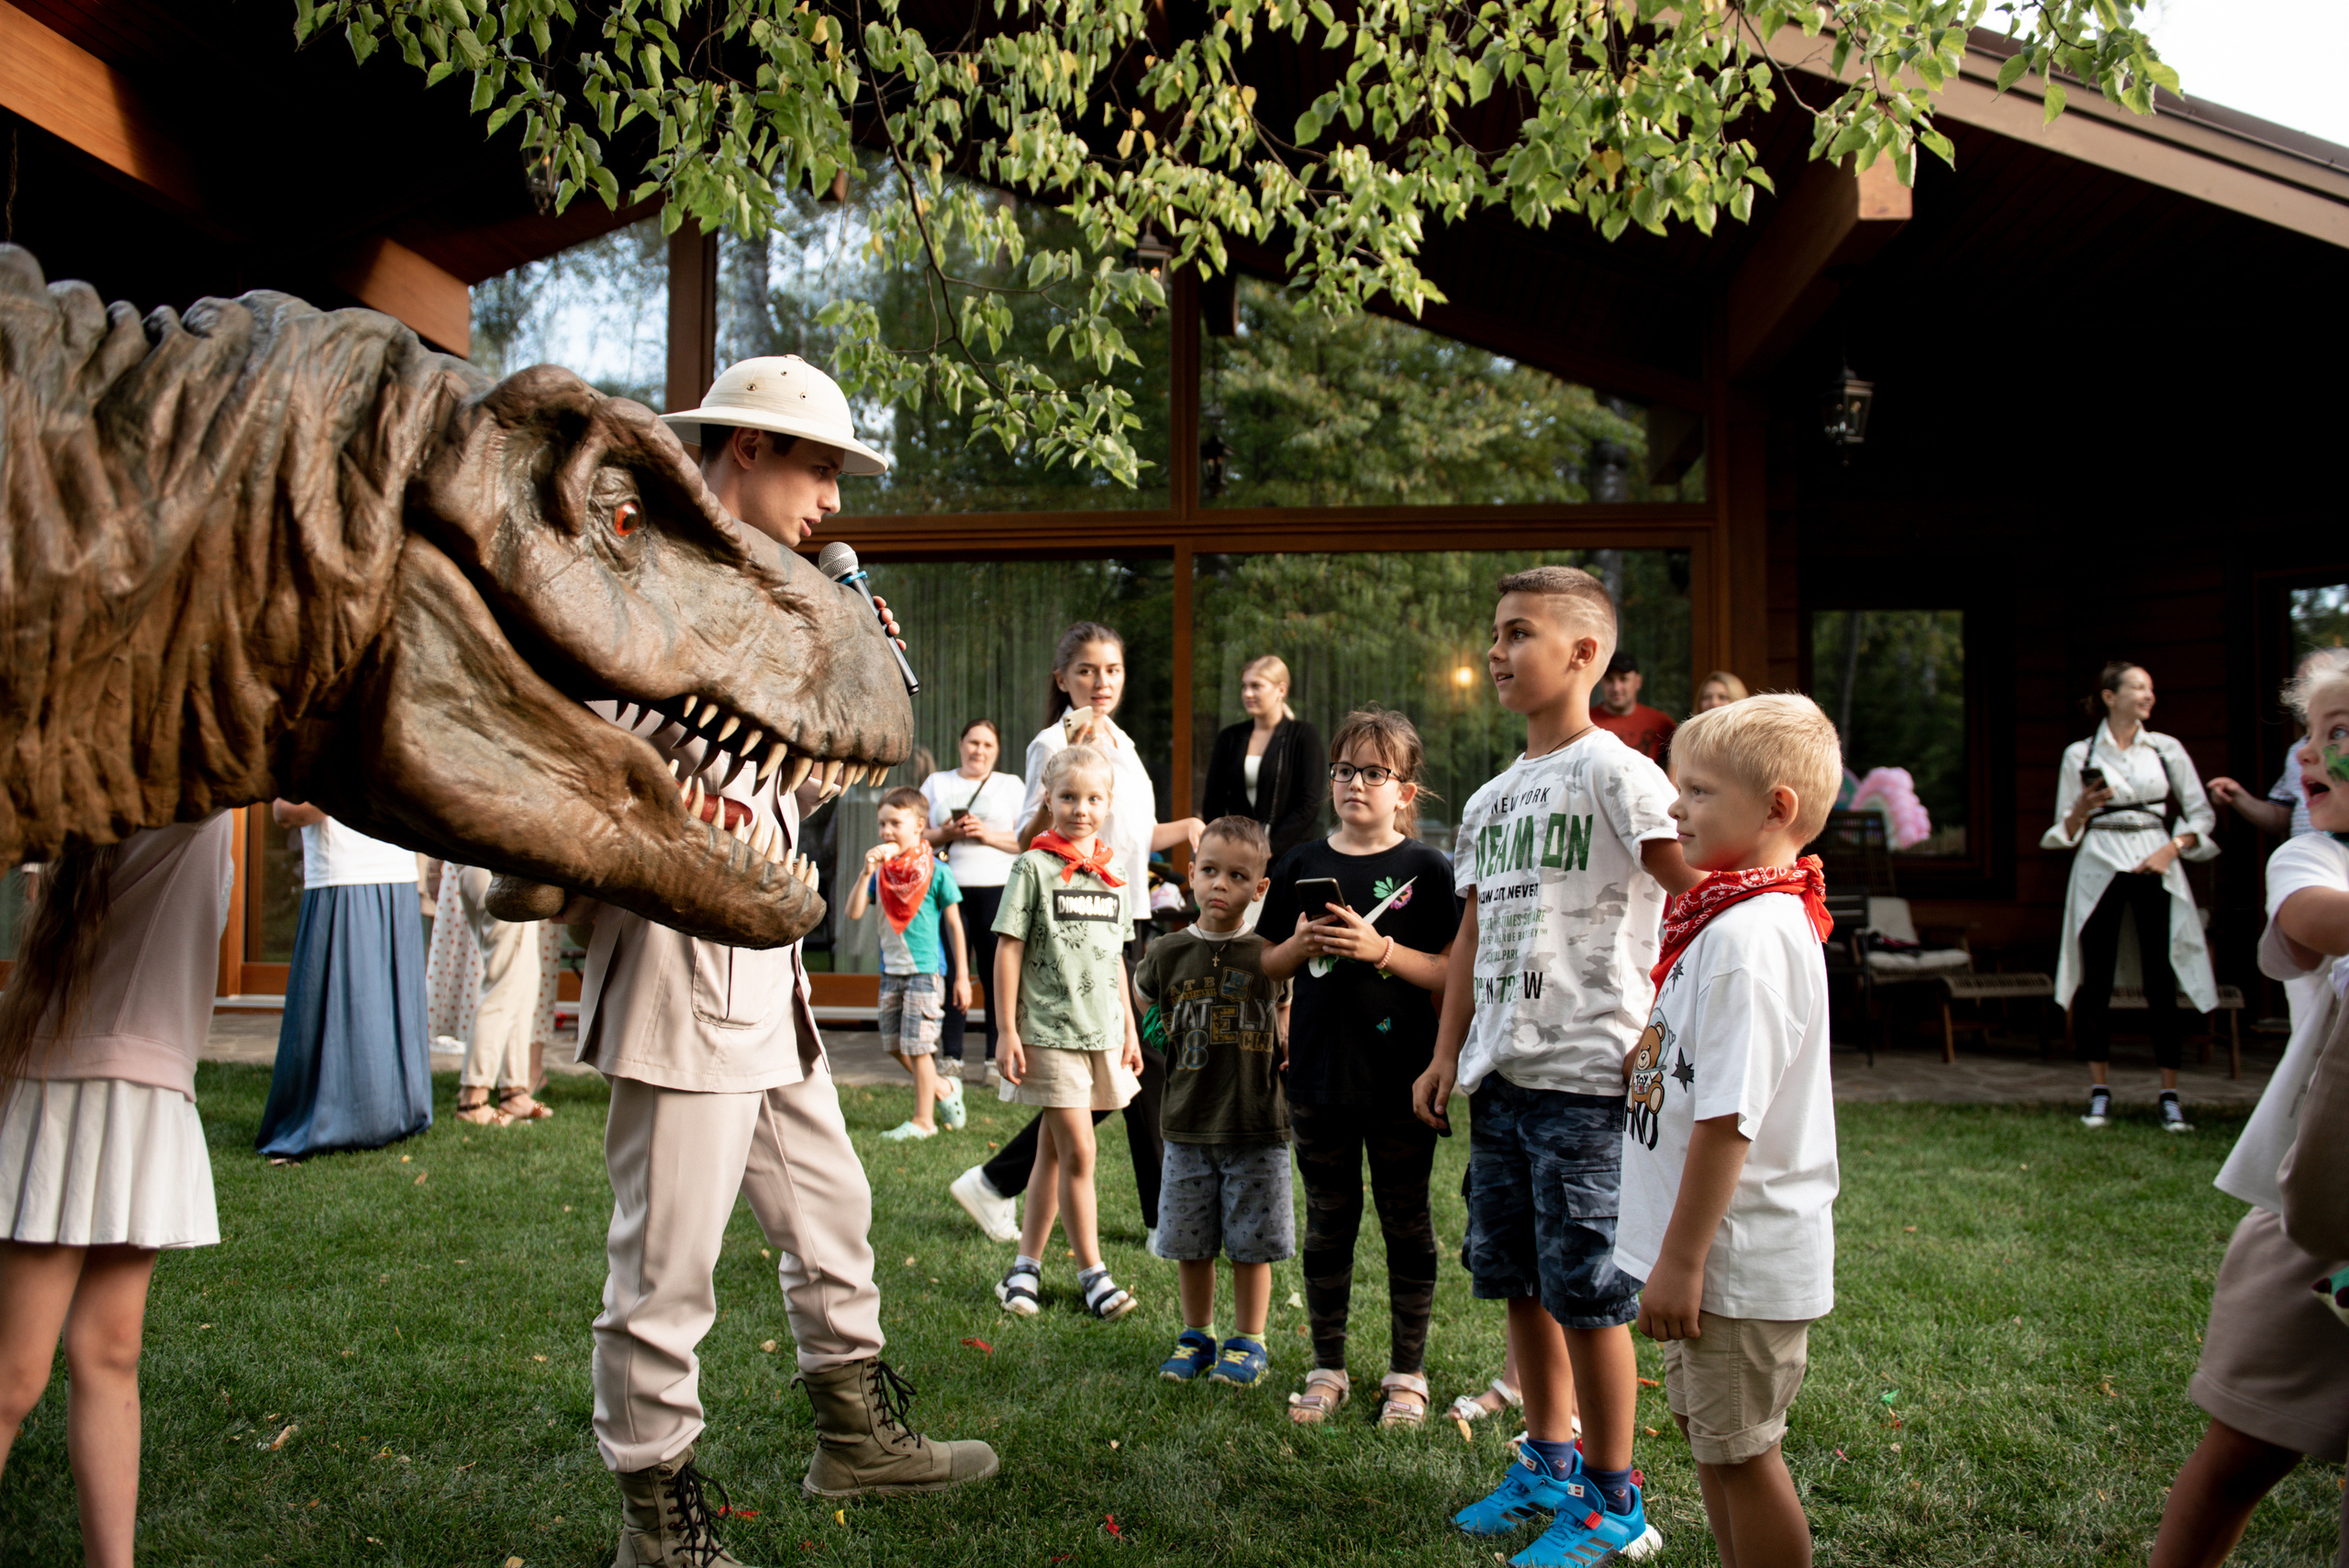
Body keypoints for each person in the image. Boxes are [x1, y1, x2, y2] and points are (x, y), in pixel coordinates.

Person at [575, 354, 994, 1568]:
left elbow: (772, 779)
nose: (834, 502)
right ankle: (656, 1519)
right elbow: (602, 750)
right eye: (818, 466)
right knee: (668, 1261)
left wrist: (831, 699)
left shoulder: (774, 589)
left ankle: (854, 1434)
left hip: (765, 957)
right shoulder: (643, 569)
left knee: (832, 1206)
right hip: (677, 955)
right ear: (743, 450)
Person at [1416, 564, 1698, 1568]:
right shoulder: (1491, 799)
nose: (1496, 650)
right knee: (1518, 1279)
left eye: (1517, 632)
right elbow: (1473, 937)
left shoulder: (1619, 773)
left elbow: (1692, 893)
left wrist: (1671, 1026)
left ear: (1586, 654)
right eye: (1493, 633)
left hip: (1591, 1076)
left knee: (1588, 1288)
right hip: (1504, 1077)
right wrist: (1449, 1050)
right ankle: (1546, 1456)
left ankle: (1615, 1501)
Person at [1618, 695, 1843, 1568]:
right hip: (1711, 1259)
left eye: (1699, 791)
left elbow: (1729, 1117)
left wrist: (1682, 1260)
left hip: (1733, 1263)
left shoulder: (1753, 936)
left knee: (1745, 1454)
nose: (1677, 808)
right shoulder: (1724, 917)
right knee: (1713, 1441)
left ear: (1777, 806)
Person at [2151, 655, 2349, 1568]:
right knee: (2242, 1444)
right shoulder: (2311, 855)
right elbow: (2314, 920)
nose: (2307, 750)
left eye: (2335, 732)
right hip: (2312, 1213)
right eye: (2309, 731)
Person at [0, 816, 232, 1568]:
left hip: (141, 1087)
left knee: (109, 1349)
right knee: (14, 1371)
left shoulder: (182, 790)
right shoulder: (194, 794)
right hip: (72, 1091)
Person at [948, 622, 1204, 1246]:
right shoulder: (1050, 742)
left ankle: (995, 1182)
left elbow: (1133, 837)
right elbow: (1031, 832)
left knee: (1137, 1063)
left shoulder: (1124, 740)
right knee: (1140, 1062)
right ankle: (1154, 1216)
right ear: (1062, 678)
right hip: (1079, 922)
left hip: (1128, 912)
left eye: (1112, 670)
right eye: (1087, 670)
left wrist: (1193, 826)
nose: (1101, 681)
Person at [1258, 708, 1458, 1429]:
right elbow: (1264, 961)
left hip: (1402, 1076)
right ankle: (1327, 1365)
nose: (1355, 783)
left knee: (1408, 1223)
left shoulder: (1429, 870)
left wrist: (1380, 952)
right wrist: (1299, 942)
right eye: (1345, 769)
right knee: (1327, 1222)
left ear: (1406, 789)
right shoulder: (1301, 863)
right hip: (1318, 1073)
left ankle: (1407, 1372)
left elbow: (1447, 972)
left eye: (1375, 772)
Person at [990, 744, 1146, 1321]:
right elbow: (1008, 949)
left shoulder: (1115, 874)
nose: (1081, 809)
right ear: (1048, 799)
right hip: (1048, 1031)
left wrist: (1129, 1030)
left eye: (1094, 798)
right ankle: (1093, 1273)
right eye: (1069, 797)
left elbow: (1116, 960)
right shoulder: (1031, 868)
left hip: (1102, 1035)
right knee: (1080, 1148)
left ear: (1108, 804)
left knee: (1052, 1154)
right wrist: (1006, 1029)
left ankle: (1023, 1271)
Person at [1137, 815, 1290, 1385]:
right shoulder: (1169, 950)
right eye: (1208, 871)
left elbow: (1283, 1001)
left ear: (1259, 887)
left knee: (1252, 1243)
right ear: (1192, 875)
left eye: (1236, 875)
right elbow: (1144, 995)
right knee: (1190, 1239)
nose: (1219, 885)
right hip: (1186, 1123)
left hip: (1255, 1123)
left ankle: (1248, 1340)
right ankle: (1195, 1334)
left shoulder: (1270, 953)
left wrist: (1286, 1034)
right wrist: (1157, 1035)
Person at [2042, 662, 2219, 1134]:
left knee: (2161, 976)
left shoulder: (2166, 749)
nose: (2148, 696)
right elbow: (2066, 828)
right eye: (2138, 687)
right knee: (2095, 978)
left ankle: (2169, 1094)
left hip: (2153, 861)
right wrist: (2080, 809)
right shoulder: (2079, 754)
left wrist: (2171, 849)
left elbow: (2200, 815)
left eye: (2151, 688)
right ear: (2109, 696)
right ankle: (2099, 1091)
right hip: (2099, 863)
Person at [255, 804, 433, 1161]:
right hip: (343, 876)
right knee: (352, 1008)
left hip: (394, 871)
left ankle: (394, 1114)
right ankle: (345, 1118)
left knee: (381, 1012)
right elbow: (286, 813)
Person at [843, 787, 970, 1141]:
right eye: (882, 823)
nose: (886, 831)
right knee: (894, 1044)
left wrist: (961, 976)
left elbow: (955, 925)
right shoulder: (882, 874)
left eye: (894, 823)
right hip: (891, 971)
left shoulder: (937, 871)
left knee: (919, 1046)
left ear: (918, 825)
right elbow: (853, 913)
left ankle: (923, 1121)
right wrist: (865, 874)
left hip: (926, 971)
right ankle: (943, 1088)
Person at [920, 720, 1025, 1084]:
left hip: (998, 889)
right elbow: (915, 836)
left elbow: (1026, 841)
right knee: (952, 971)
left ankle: (996, 1060)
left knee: (997, 974)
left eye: (987, 745)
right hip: (949, 889)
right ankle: (951, 1056)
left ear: (996, 750)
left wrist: (986, 835)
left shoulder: (1010, 785)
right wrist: (946, 833)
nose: (978, 750)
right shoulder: (937, 783)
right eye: (972, 742)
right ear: (960, 744)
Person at [437, 863, 553, 1127]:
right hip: (498, 870)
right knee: (506, 981)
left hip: (484, 868)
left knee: (524, 977)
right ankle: (473, 1098)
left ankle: (514, 1091)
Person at [1199, 655, 1328, 866]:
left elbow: (1310, 802)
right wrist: (1224, 845)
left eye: (1256, 686)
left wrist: (1269, 845)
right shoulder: (1229, 738)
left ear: (1281, 690)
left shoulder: (1304, 736)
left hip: (1289, 857)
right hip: (1237, 856)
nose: (1247, 693)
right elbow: (1213, 802)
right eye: (1244, 686)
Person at [2208, 652, 2330, 840]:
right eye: (2301, 683)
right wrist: (2238, 796)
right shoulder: (2298, 751)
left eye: (2318, 679)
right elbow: (2278, 818)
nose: (2307, 690)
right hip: (2307, 861)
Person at [1591, 651, 1676, 763]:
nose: (1616, 688)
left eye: (1623, 679)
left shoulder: (1661, 724)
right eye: (1609, 679)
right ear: (1600, 682)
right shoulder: (1585, 722)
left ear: (1638, 682)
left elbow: (1680, 767)